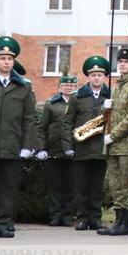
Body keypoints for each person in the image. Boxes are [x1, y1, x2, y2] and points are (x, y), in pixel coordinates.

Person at [0, 36, 37, 238]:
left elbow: (30, 118)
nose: (6, 62)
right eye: (2, 58)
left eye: (10, 58)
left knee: (8, 188)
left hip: (13, 146)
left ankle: (3, 223)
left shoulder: (23, 86)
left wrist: (27, 144)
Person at [62, 55, 111, 232]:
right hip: (81, 148)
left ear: (105, 76)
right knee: (81, 186)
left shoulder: (110, 96)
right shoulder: (77, 97)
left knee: (97, 187)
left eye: (99, 75)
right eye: (93, 75)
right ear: (88, 77)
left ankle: (96, 218)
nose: (96, 78)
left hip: (101, 147)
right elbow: (68, 122)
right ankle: (82, 218)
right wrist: (68, 146)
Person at [99, 47, 128, 236]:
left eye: (126, 62)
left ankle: (126, 221)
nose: (122, 64)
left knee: (127, 183)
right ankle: (118, 219)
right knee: (114, 183)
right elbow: (113, 115)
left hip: (125, 144)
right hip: (113, 144)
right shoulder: (118, 85)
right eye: (120, 62)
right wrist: (105, 109)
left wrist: (114, 135)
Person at [37, 75, 77, 226]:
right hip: (53, 150)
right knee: (55, 186)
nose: (68, 87)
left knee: (70, 185)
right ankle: (55, 215)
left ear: (75, 87)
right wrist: (41, 148)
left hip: (73, 150)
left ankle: (67, 216)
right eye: (65, 85)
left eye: (71, 85)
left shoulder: (79, 103)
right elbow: (42, 128)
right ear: (60, 87)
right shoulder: (51, 104)